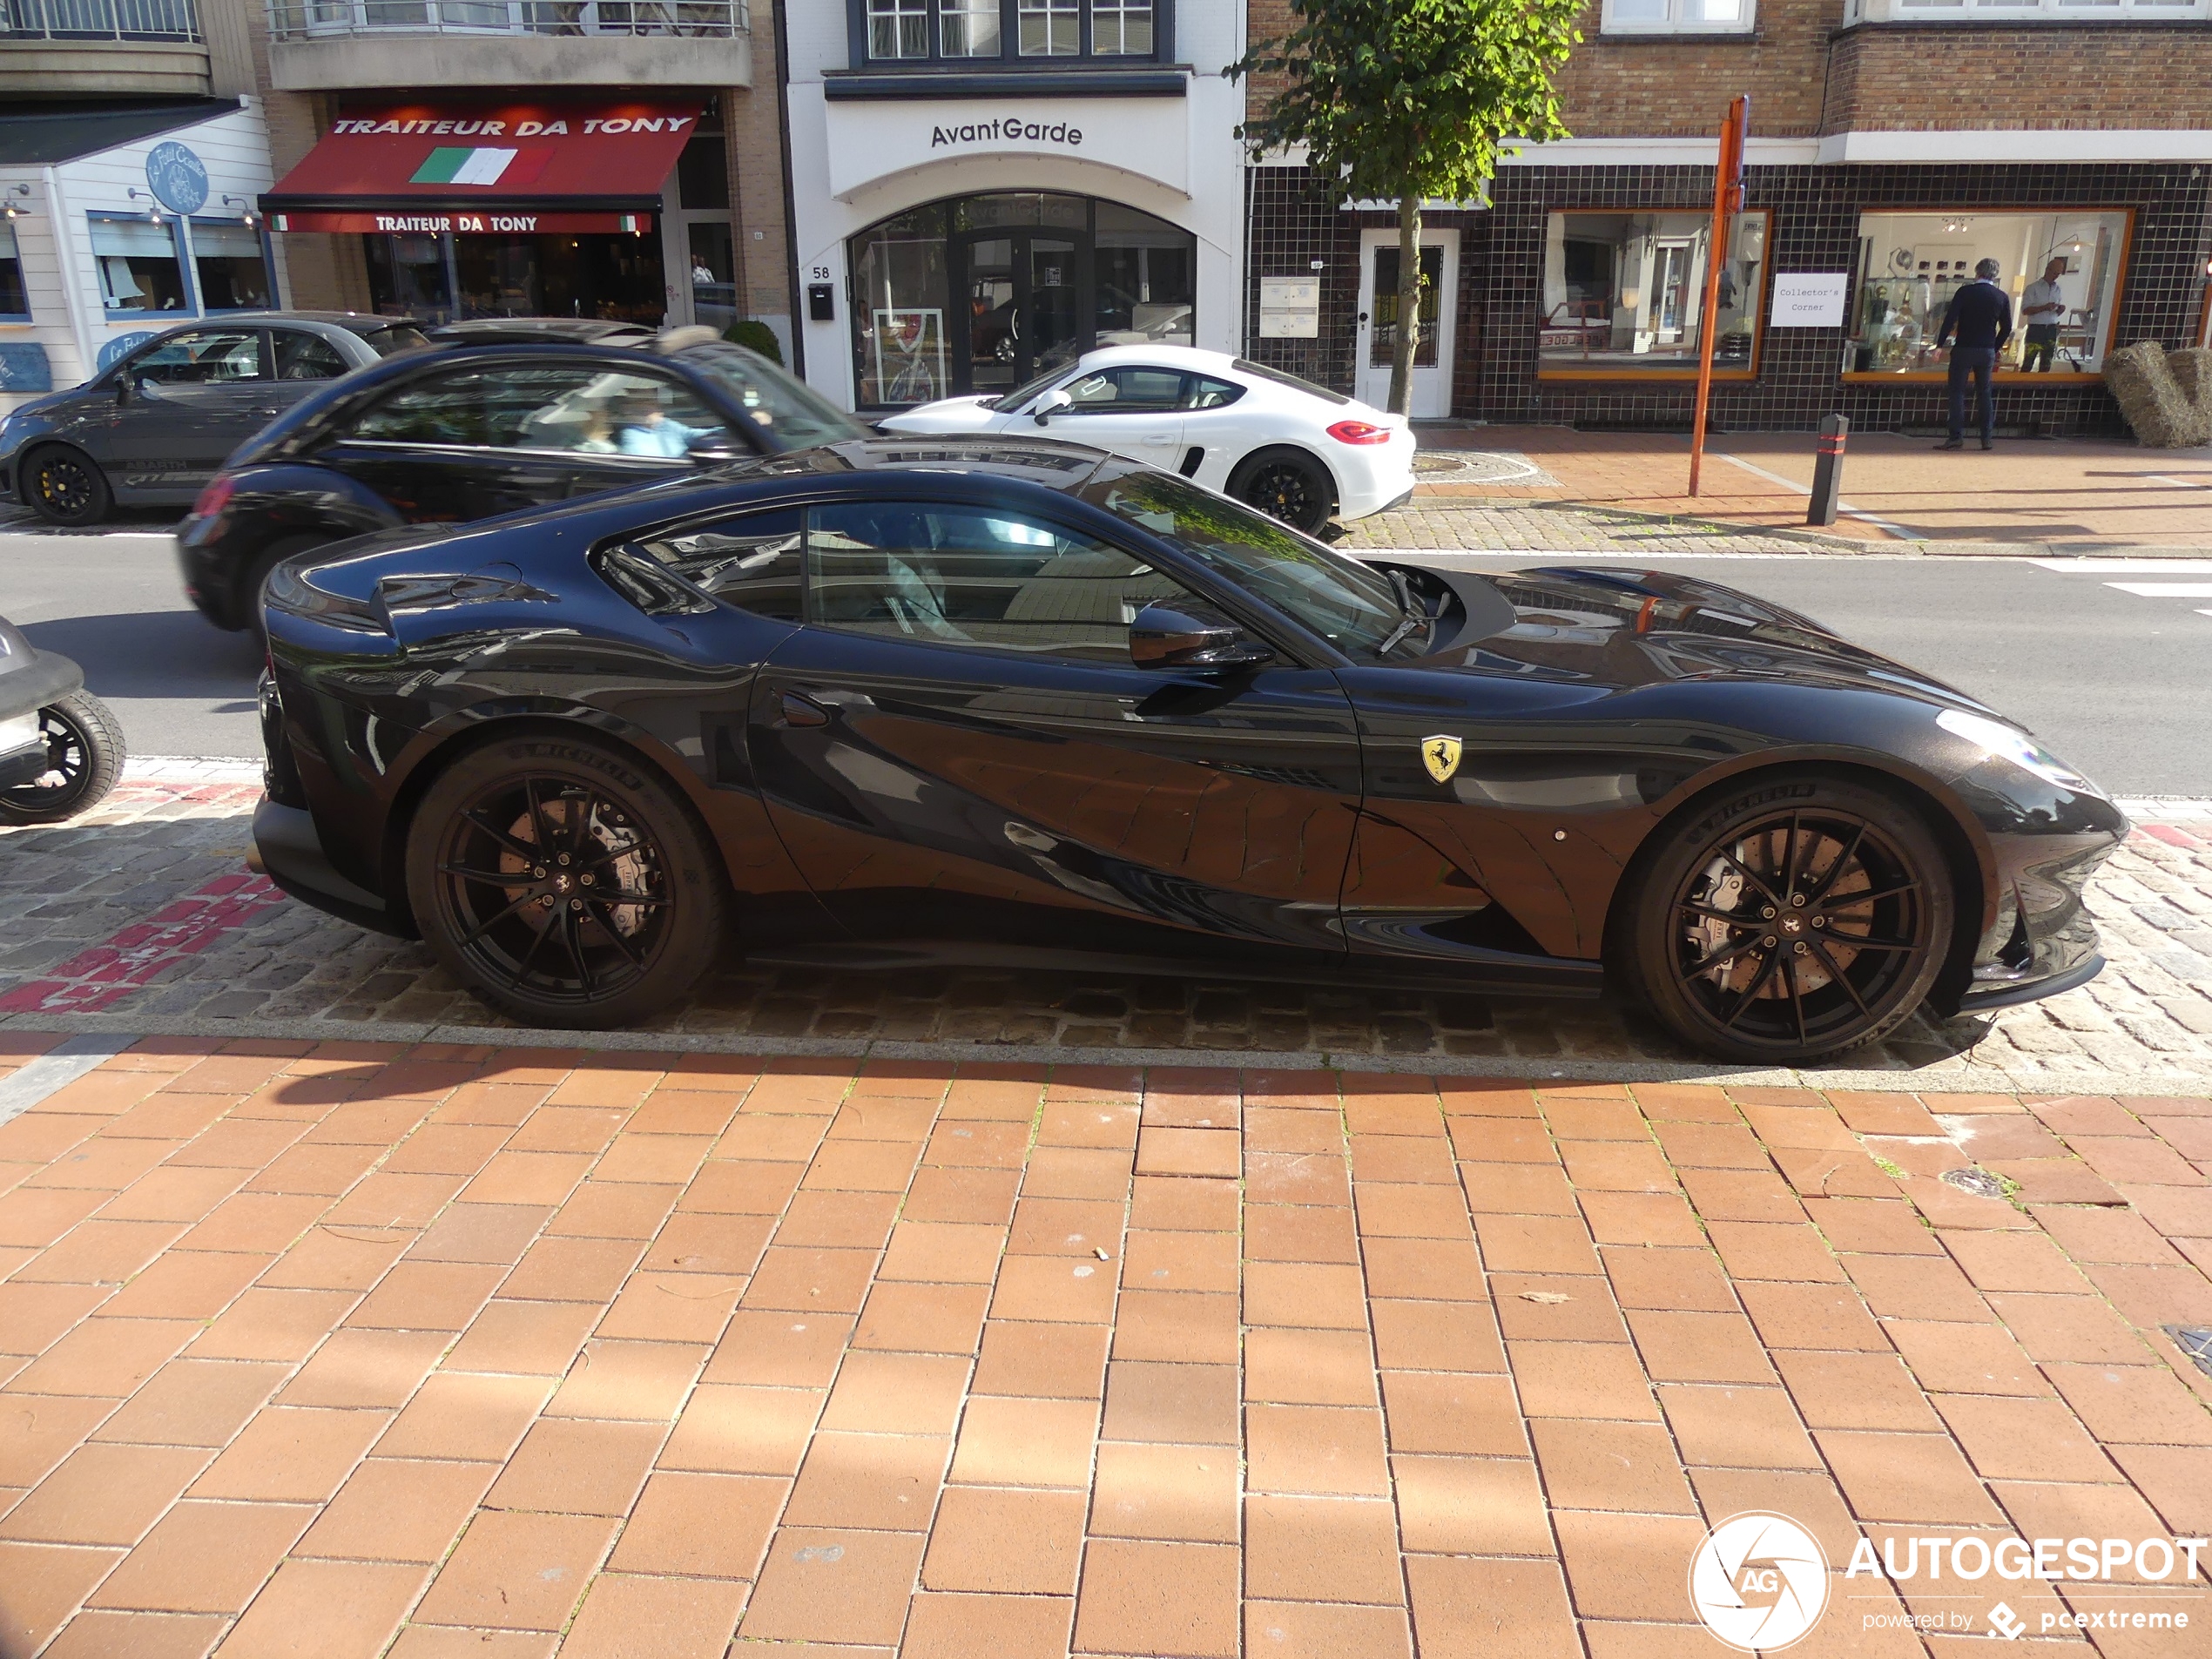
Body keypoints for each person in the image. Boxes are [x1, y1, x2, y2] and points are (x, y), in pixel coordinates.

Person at [1935, 257, 2012, 450]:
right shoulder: (2001, 296)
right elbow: (2007, 327)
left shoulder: (1965, 292)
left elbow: (1950, 319)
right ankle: (1986, 438)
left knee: (1957, 392)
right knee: (1984, 393)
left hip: (1963, 348)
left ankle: (1956, 437)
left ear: (1977, 272)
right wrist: (1995, 347)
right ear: (1995, 274)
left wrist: (1939, 344)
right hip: (1986, 350)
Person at [2020, 257, 2067, 373]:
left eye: (2059, 274)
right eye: (2055, 273)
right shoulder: (2033, 288)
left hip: (2051, 329)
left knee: (2046, 364)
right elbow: (2025, 310)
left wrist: (2060, 310)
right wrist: (2044, 307)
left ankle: (2041, 390)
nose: (2056, 276)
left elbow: (2055, 312)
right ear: (2047, 270)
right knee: (2028, 363)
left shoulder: (2058, 289)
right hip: (2036, 329)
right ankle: (2021, 389)